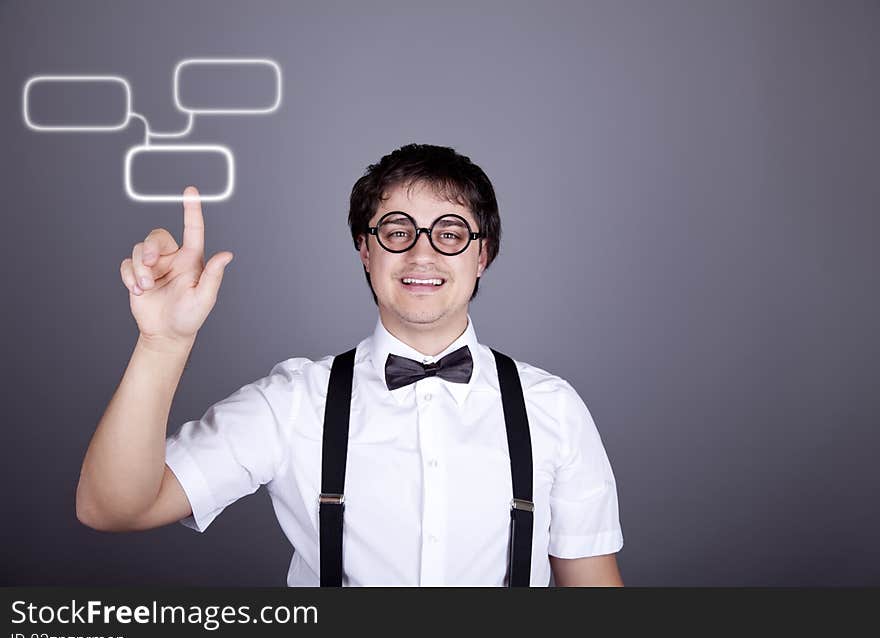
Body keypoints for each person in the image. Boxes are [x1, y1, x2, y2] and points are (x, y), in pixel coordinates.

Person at [76, 143, 624, 586]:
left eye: (451, 234)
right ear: (366, 250)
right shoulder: (293, 403)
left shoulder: (551, 408)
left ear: (482, 256)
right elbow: (113, 507)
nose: (422, 254)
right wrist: (163, 341)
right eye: (397, 231)